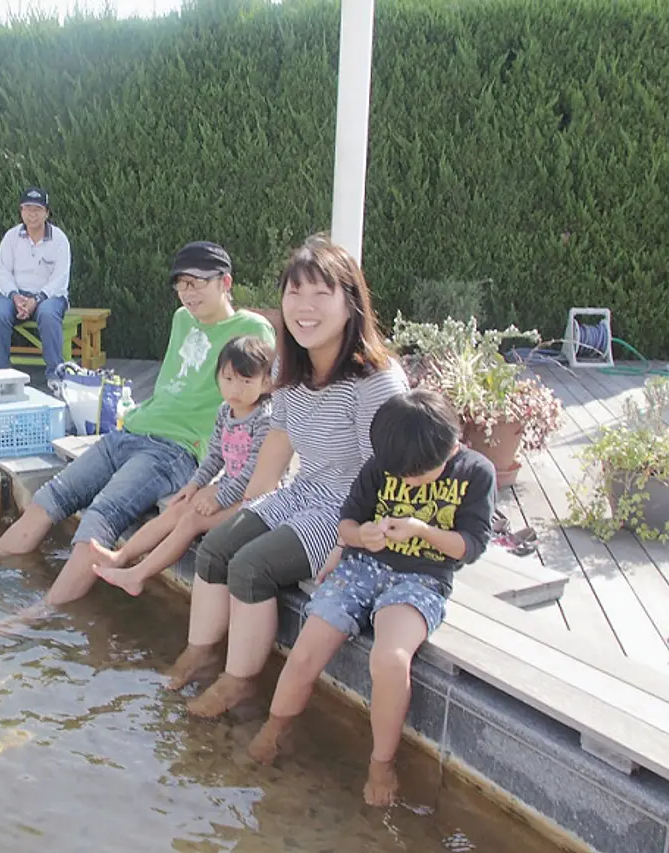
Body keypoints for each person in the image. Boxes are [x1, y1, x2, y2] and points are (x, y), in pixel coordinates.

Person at [168, 235, 409, 717]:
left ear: (350, 302)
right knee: (217, 548)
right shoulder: (288, 367)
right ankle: (202, 651)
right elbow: (275, 449)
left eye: (321, 294)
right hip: (302, 492)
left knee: (251, 566)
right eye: (294, 293)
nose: (305, 307)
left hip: (347, 507)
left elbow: (385, 476)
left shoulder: (376, 381)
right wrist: (246, 508)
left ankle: (239, 682)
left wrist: (349, 539)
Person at [0, 241, 276, 614]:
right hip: (131, 430)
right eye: (181, 284)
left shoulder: (251, 329)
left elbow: (266, 400)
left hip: (175, 449)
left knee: (104, 512)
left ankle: (40, 612)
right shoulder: (181, 319)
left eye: (197, 283)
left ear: (225, 282)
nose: (188, 293)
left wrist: (216, 482)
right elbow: (171, 385)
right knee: (55, 493)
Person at [246, 388, 496, 807]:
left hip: (422, 579)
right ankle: (275, 726)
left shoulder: (476, 473)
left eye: (417, 476)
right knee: (308, 647)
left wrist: (421, 530)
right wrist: (360, 536)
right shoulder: (381, 466)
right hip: (360, 567)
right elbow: (347, 526)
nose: (406, 480)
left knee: (390, 659)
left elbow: (470, 547)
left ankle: (381, 761)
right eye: (399, 473)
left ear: (451, 448)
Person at [92, 334, 275, 596]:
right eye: (228, 379)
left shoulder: (264, 420)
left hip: (257, 497)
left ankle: (137, 575)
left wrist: (219, 499)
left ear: (266, 382)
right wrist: (195, 484)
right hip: (230, 485)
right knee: (179, 507)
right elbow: (214, 455)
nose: (236, 389)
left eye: (247, 381)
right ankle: (121, 556)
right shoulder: (226, 411)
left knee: (192, 521)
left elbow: (252, 474)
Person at [0, 187, 72, 382]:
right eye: (28, 208)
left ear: (47, 213)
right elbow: (3, 272)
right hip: (15, 296)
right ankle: (1, 374)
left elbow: (60, 278)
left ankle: (55, 375)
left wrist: (37, 299)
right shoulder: (10, 237)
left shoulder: (60, 239)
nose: (32, 214)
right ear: (21, 211)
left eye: (37, 209)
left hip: (50, 298)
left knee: (48, 314)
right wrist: (15, 297)